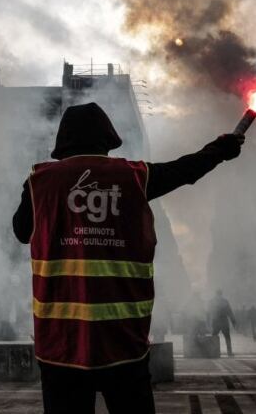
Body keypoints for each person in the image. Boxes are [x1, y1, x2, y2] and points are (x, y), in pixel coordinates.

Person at [12, 102, 244, 414]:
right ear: (108, 138)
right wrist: (221, 148)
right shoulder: (135, 177)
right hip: (123, 343)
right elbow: (185, 170)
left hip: (60, 345)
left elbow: (20, 231)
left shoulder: (39, 182)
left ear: (62, 142)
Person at [209, 290, 237, 357]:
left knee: (214, 337)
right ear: (221, 294)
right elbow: (230, 312)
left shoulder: (212, 301)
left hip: (216, 321)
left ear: (215, 293)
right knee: (227, 337)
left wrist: (208, 322)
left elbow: (209, 312)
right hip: (224, 321)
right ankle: (229, 352)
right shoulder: (225, 301)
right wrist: (234, 322)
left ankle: (212, 352)